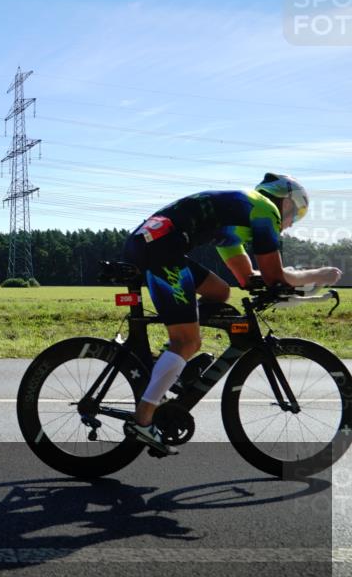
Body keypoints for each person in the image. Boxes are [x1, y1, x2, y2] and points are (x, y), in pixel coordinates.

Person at [120, 174, 343, 454]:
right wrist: (319, 274)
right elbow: (275, 275)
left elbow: (245, 277)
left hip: (156, 243)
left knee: (219, 292)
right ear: (286, 201)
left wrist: (280, 283)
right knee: (187, 342)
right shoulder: (264, 209)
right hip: (161, 248)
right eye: (295, 214)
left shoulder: (236, 219)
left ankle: (172, 364)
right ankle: (143, 420)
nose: (289, 224)